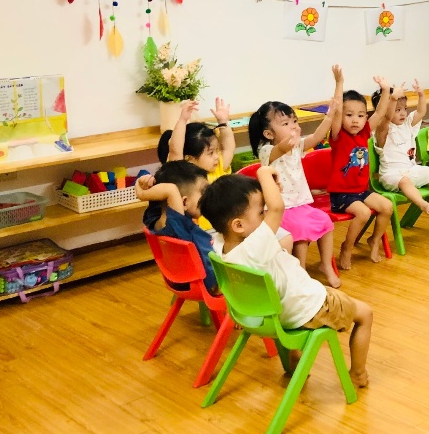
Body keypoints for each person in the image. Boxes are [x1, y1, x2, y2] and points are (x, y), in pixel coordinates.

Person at [201, 168, 373, 388]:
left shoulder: (220, 245)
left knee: (316, 293)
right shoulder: (253, 249)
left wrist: (265, 196)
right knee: (365, 314)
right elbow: (277, 208)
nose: (266, 216)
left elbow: (267, 209)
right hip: (306, 308)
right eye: (261, 213)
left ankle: (295, 361)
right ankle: (358, 374)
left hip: (271, 316)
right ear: (238, 225)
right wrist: (264, 172)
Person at [249, 99, 338, 287]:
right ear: (268, 134)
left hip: (300, 205)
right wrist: (291, 139)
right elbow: (282, 148)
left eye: (295, 121)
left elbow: (317, 137)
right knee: (301, 230)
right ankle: (300, 272)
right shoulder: (266, 151)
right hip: (280, 209)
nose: (293, 126)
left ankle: (326, 265)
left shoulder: (297, 146)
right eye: (286, 124)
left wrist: (330, 116)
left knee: (326, 222)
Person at [328, 65, 395, 269]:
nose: (355, 120)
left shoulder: (364, 132)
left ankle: (374, 240)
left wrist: (385, 90)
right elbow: (336, 111)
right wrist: (339, 83)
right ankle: (346, 248)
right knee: (364, 213)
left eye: (360, 115)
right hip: (342, 195)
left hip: (361, 191)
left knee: (387, 207)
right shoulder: (338, 136)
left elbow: (381, 112)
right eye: (349, 115)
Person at [372, 79, 429, 219]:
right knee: (404, 181)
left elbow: (421, 111)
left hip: (410, 170)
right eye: (397, 110)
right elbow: (387, 117)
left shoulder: (407, 124)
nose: (403, 113)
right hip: (391, 175)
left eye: (404, 109)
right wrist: (393, 98)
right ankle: (422, 204)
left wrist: (421, 95)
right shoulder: (382, 129)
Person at [157, 98, 235, 232]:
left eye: (216, 151)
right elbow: (175, 150)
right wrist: (182, 120)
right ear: (190, 159)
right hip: (202, 232)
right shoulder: (184, 176)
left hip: (226, 228)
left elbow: (229, 147)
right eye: (210, 153)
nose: (217, 157)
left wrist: (223, 123)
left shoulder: (218, 168)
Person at [135, 160, 215, 293]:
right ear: (183, 202)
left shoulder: (156, 220)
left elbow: (163, 195)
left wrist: (142, 182)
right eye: (203, 193)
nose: (208, 198)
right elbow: (171, 190)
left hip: (182, 281)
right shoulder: (177, 225)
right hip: (209, 285)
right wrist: (141, 194)